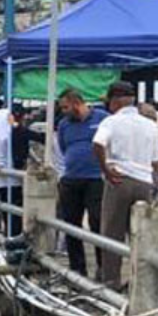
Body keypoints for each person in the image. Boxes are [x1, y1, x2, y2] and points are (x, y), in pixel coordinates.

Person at [92, 81, 158, 288]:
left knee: (112, 233)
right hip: (144, 182)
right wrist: (154, 184)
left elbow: (97, 144)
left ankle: (111, 281)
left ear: (115, 100)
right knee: (141, 234)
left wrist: (105, 169)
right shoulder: (150, 125)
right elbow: (156, 161)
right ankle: (141, 282)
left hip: (119, 180)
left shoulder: (111, 121)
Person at [53, 88, 108, 276]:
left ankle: (103, 267)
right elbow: (63, 147)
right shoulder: (64, 125)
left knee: (98, 222)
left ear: (77, 103)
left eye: (66, 107)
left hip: (96, 179)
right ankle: (77, 268)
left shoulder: (102, 119)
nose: (63, 111)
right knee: (71, 224)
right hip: (71, 179)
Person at [0, 104, 43, 236]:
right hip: (13, 178)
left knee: (8, 214)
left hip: (1, 179)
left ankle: (9, 238)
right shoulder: (9, 134)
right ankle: (14, 240)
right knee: (15, 214)